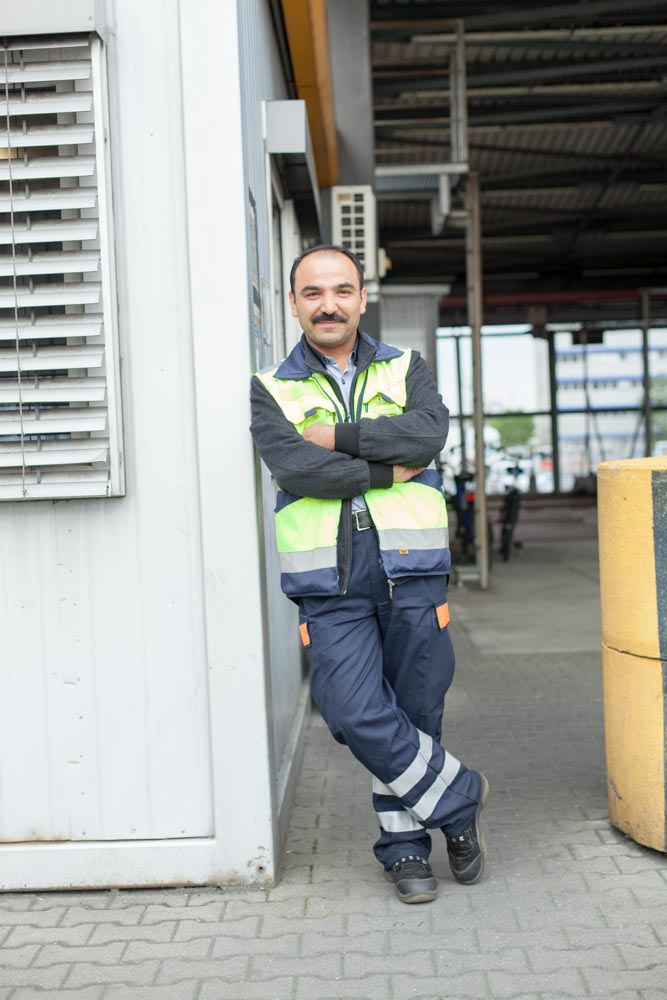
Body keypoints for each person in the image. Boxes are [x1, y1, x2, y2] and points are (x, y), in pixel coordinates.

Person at [250, 244, 488, 904]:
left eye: (342, 290)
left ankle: (407, 850)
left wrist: (338, 437)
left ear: (360, 297)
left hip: (410, 571)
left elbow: (426, 436)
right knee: (354, 712)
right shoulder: (270, 387)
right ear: (293, 302)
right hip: (328, 583)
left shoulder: (407, 366)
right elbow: (298, 471)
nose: (328, 304)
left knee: (415, 713)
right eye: (312, 292)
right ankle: (458, 801)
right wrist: (386, 468)